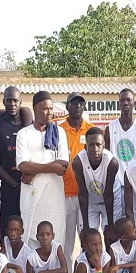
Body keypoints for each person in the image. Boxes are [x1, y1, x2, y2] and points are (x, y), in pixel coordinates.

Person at [16, 91, 69, 248]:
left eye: (51, 109)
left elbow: (63, 163)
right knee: (31, 238)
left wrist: (34, 170)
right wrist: (51, 166)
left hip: (54, 194)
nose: (49, 113)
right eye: (45, 109)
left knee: (55, 238)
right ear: (34, 109)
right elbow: (23, 165)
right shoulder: (23, 134)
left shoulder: (59, 132)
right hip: (31, 194)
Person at [59, 92, 95, 259]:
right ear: (67, 107)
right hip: (64, 194)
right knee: (66, 240)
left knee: (86, 239)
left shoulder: (91, 130)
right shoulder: (59, 130)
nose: (78, 106)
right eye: (74, 103)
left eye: (81, 103)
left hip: (85, 195)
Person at [0, 87, 31, 227]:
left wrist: (23, 182)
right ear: (3, 102)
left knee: (27, 227)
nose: (12, 104)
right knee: (7, 230)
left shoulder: (28, 124)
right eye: (9, 101)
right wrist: (13, 184)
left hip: (27, 185)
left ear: (20, 102)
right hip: (8, 186)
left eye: (15, 101)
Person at [105, 89, 136, 217]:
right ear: (118, 104)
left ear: (134, 103)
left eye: (129, 100)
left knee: (134, 225)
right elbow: (106, 158)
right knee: (118, 225)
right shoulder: (110, 128)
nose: (125, 103)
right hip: (116, 185)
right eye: (122, 100)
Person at [73, 127, 118, 232]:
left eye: (98, 145)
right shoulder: (78, 162)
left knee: (110, 237)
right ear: (85, 147)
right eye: (91, 145)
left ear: (104, 146)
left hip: (110, 201)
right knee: (88, 238)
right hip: (90, 202)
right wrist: (86, 226)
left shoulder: (112, 163)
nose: (95, 149)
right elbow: (83, 194)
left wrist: (111, 226)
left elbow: (108, 195)